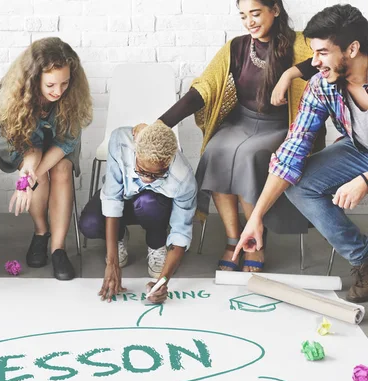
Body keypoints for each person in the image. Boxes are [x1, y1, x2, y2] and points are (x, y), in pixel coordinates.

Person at [134, 0, 324, 273]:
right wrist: (161, 125)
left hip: (282, 126)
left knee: (247, 155)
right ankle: (233, 239)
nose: (250, 22)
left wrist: (290, 74)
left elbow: (325, 60)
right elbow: (203, 90)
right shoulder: (236, 47)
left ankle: (255, 241)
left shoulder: (302, 43)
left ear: (276, 9)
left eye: (256, 13)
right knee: (216, 150)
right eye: (244, 16)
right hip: (241, 121)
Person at [235, 4, 368, 303]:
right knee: (300, 184)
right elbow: (293, 149)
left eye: (322, 52)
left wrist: (365, 180)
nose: (314, 62)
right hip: (359, 149)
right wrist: (256, 217)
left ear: (352, 48)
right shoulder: (323, 86)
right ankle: (364, 259)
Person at [0, 37, 93, 281]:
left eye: (65, 83)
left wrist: (31, 176)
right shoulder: (11, 93)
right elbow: (27, 145)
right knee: (36, 172)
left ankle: (58, 248)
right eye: (50, 84)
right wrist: (30, 170)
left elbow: (67, 141)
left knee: (61, 170)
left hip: (60, 143)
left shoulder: (72, 95)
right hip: (20, 142)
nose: (58, 91)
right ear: (34, 78)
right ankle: (41, 232)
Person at [79, 121, 197, 304]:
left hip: (154, 208)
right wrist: (112, 263)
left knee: (147, 202)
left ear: (169, 162)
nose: (147, 179)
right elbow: (112, 198)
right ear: (135, 152)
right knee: (90, 224)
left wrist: (163, 282)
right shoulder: (120, 141)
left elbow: (180, 232)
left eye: (157, 175)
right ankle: (119, 236)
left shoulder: (183, 178)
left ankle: (157, 243)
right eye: (141, 170)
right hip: (123, 199)